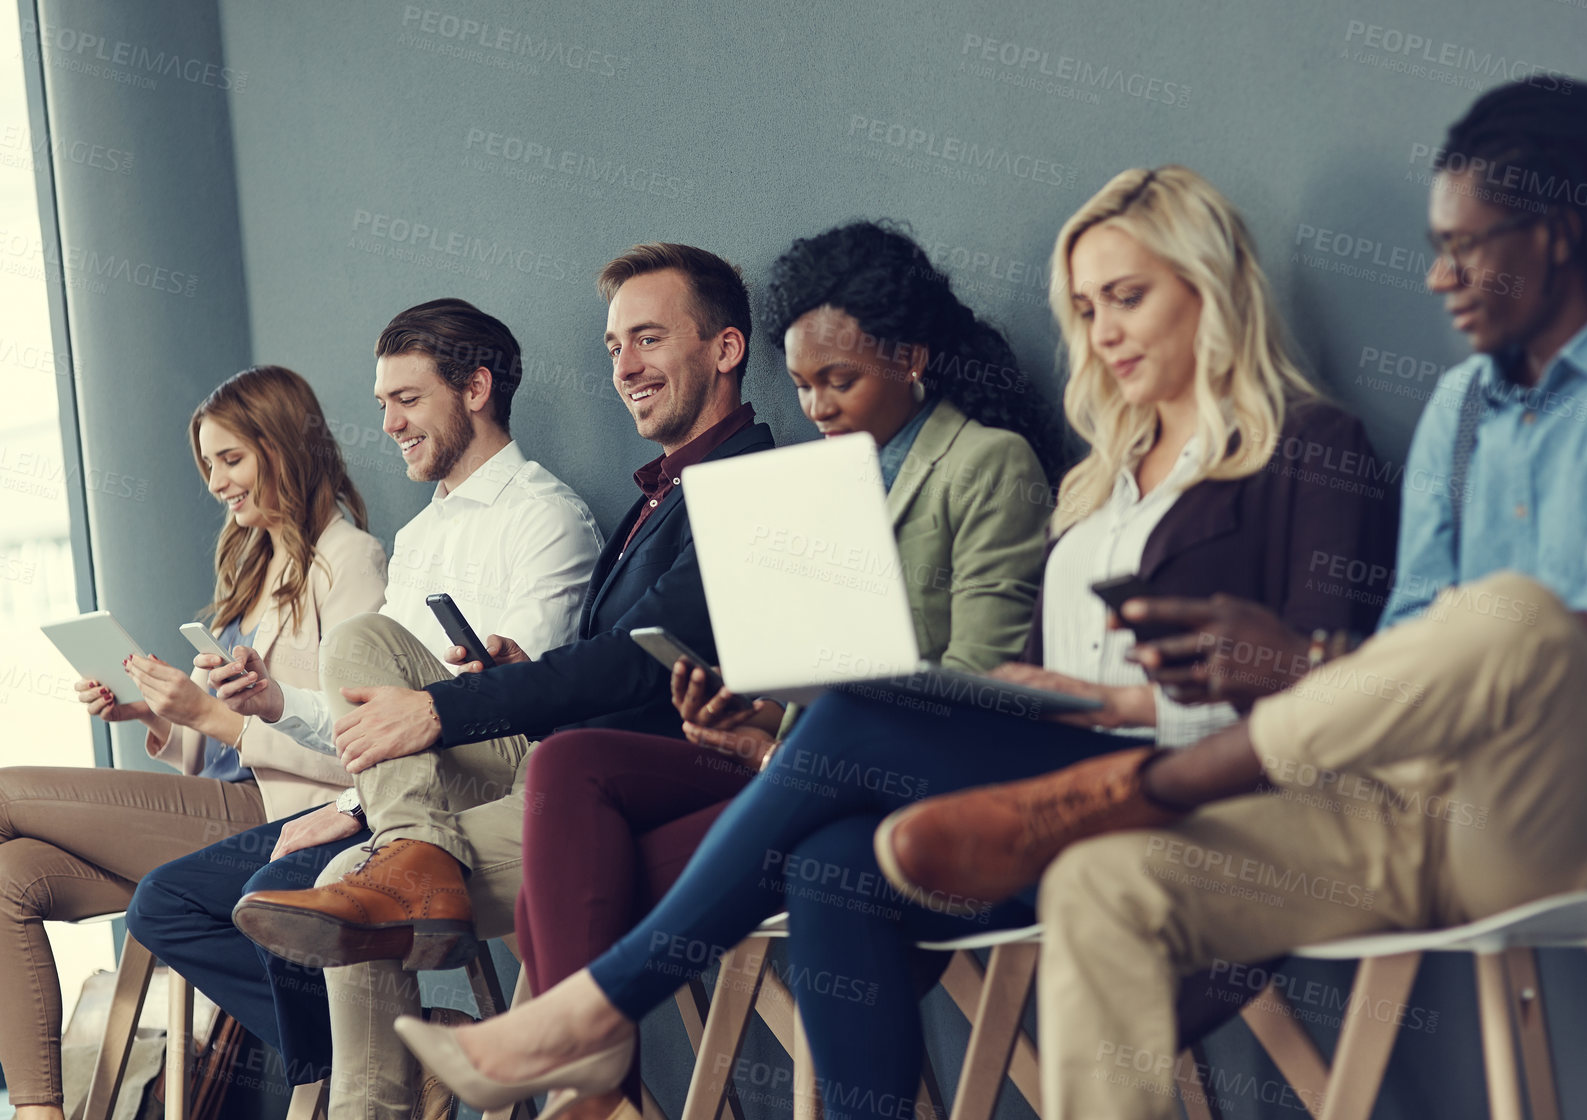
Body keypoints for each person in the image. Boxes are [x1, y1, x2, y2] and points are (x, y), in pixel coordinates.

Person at [388, 166, 1399, 1120]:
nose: (1103, 332)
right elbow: (1039, 672)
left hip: (1204, 792)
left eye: (1126, 297)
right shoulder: (1098, 483)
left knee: (860, 709)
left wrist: (1129, 704)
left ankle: (590, 1008)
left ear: (1210, 286)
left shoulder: (1308, 449)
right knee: (829, 860)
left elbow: (1330, 694)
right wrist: (1036, 689)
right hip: (1053, 795)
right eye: (1085, 310)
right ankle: (597, 1010)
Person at [871, 80, 1587, 1119]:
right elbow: (1406, 656)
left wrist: (1298, 669)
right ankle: (1121, 817)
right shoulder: (1460, 409)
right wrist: (1301, 670)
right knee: (1099, 886)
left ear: (1558, 236)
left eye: (1464, 244)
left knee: (1511, 614)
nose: (1436, 275)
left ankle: (1139, 786)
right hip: (1404, 805)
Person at [512, 220, 1062, 1118]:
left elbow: (979, 682)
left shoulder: (985, 463)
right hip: (823, 769)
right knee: (568, 773)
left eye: (836, 380)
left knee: (585, 881)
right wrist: (763, 725)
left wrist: (806, 726)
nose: (814, 406)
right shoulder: (834, 484)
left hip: (932, 774)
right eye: (803, 384)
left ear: (912, 357)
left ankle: (581, 1053)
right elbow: (828, 676)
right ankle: (589, 1079)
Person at [228, 244, 777, 1120]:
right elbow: (610, 661)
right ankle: (412, 858)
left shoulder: (750, 482)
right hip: (555, 769)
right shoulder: (654, 501)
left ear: (725, 349)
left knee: (359, 886)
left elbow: (643, 655)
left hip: (637, 781)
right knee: (366, 670)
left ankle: (414, 874)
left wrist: (447, 707)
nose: (625, 367)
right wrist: (506, 678)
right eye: (611, 348)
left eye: (646, 340)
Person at [127, 299, 600, 1089]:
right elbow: (366, 712)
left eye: (407, 401)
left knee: (311, 865)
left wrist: (350, 810)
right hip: (396, 788)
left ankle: (395, 875)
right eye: (383, 404)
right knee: (168, 901)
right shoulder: (419, 540)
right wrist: (276, 704)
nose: (388, 424)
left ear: (476, 389)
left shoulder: (545, 518)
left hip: (491, 775)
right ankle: (399, 1052)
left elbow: (523, 700)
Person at [0, 365, 386, 1120]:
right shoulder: (256, 562)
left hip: (284, 816)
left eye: (231, 459)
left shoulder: (353, 564)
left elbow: (354, 754)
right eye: (209, 464)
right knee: (10, 875)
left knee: (6, 791)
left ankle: (362, 1043)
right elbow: (218, 743)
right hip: (219, 803)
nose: (216, 482)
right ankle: (40, 1111)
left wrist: (207, 717)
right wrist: (154, 715)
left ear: (284, 447)